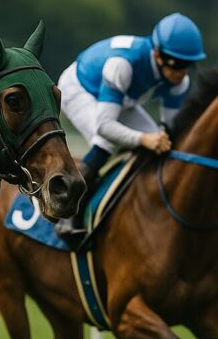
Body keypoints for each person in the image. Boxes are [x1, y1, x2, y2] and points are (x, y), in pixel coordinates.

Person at [53, 13, 206, 245]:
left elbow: (169, 129)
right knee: (108, 141)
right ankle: (69, 213)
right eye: (175, 63)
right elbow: (105, 126)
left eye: (187, 65)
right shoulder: (123, 65)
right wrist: (143, 139)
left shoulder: (179, 82)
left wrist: (156, 139)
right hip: (79, 88)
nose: (180, 73)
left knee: (161, 145)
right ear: (157, 54)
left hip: (121, 99)